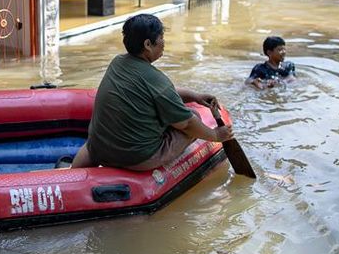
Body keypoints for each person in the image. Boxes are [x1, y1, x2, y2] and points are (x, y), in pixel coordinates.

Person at [71, 14, 233, 171]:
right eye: (161, 38)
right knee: (194, 117)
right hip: (136, 158)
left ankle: (73, 171)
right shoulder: (156, 79)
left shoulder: (117, 63)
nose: (164, 43)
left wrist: (194, 96)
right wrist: (215, 135)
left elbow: (155, 93)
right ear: (148, 44)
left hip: (99, 148)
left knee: (96, 142)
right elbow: (186, 123)